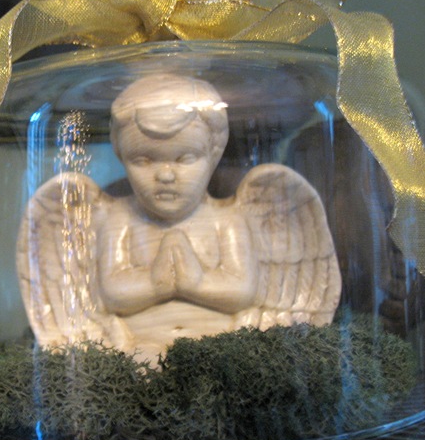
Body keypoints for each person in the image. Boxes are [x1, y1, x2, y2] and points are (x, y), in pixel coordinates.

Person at [17, 74, 341, 363]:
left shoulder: (227, 220)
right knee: (140, 368)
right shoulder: (117, 219)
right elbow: (112, 291)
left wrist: (195, 283)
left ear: (214, 154)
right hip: (137, 350)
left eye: (185, 158)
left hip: (223, 349)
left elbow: (242, 289)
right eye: (143, 160)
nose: (165, 175)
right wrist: (155, 283)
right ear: (122, 157)